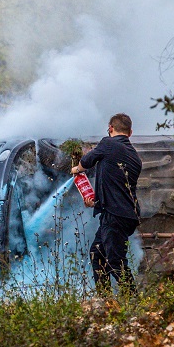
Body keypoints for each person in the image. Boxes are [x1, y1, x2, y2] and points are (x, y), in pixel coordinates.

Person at [70, 113, 142, 296]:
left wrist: (76, 170)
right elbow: (116, 187)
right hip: (125, 214)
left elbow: (86, 161)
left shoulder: (109, 144)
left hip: (116, 215)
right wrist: (96, 202)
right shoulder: (134, 156)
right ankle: (105, 301)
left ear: (110, 128)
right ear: (130, 132)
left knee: (115, 260)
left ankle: (133, 301)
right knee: (97, 255)